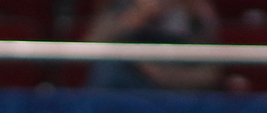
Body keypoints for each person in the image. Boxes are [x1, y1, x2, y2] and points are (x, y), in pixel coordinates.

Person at [85, 0, 224, 91]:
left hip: (174, 87)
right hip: (128, 83)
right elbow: (90, 48)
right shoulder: (122, 7)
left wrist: (163, 74)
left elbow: (209, 74)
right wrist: (134, 18)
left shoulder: (195, 14)